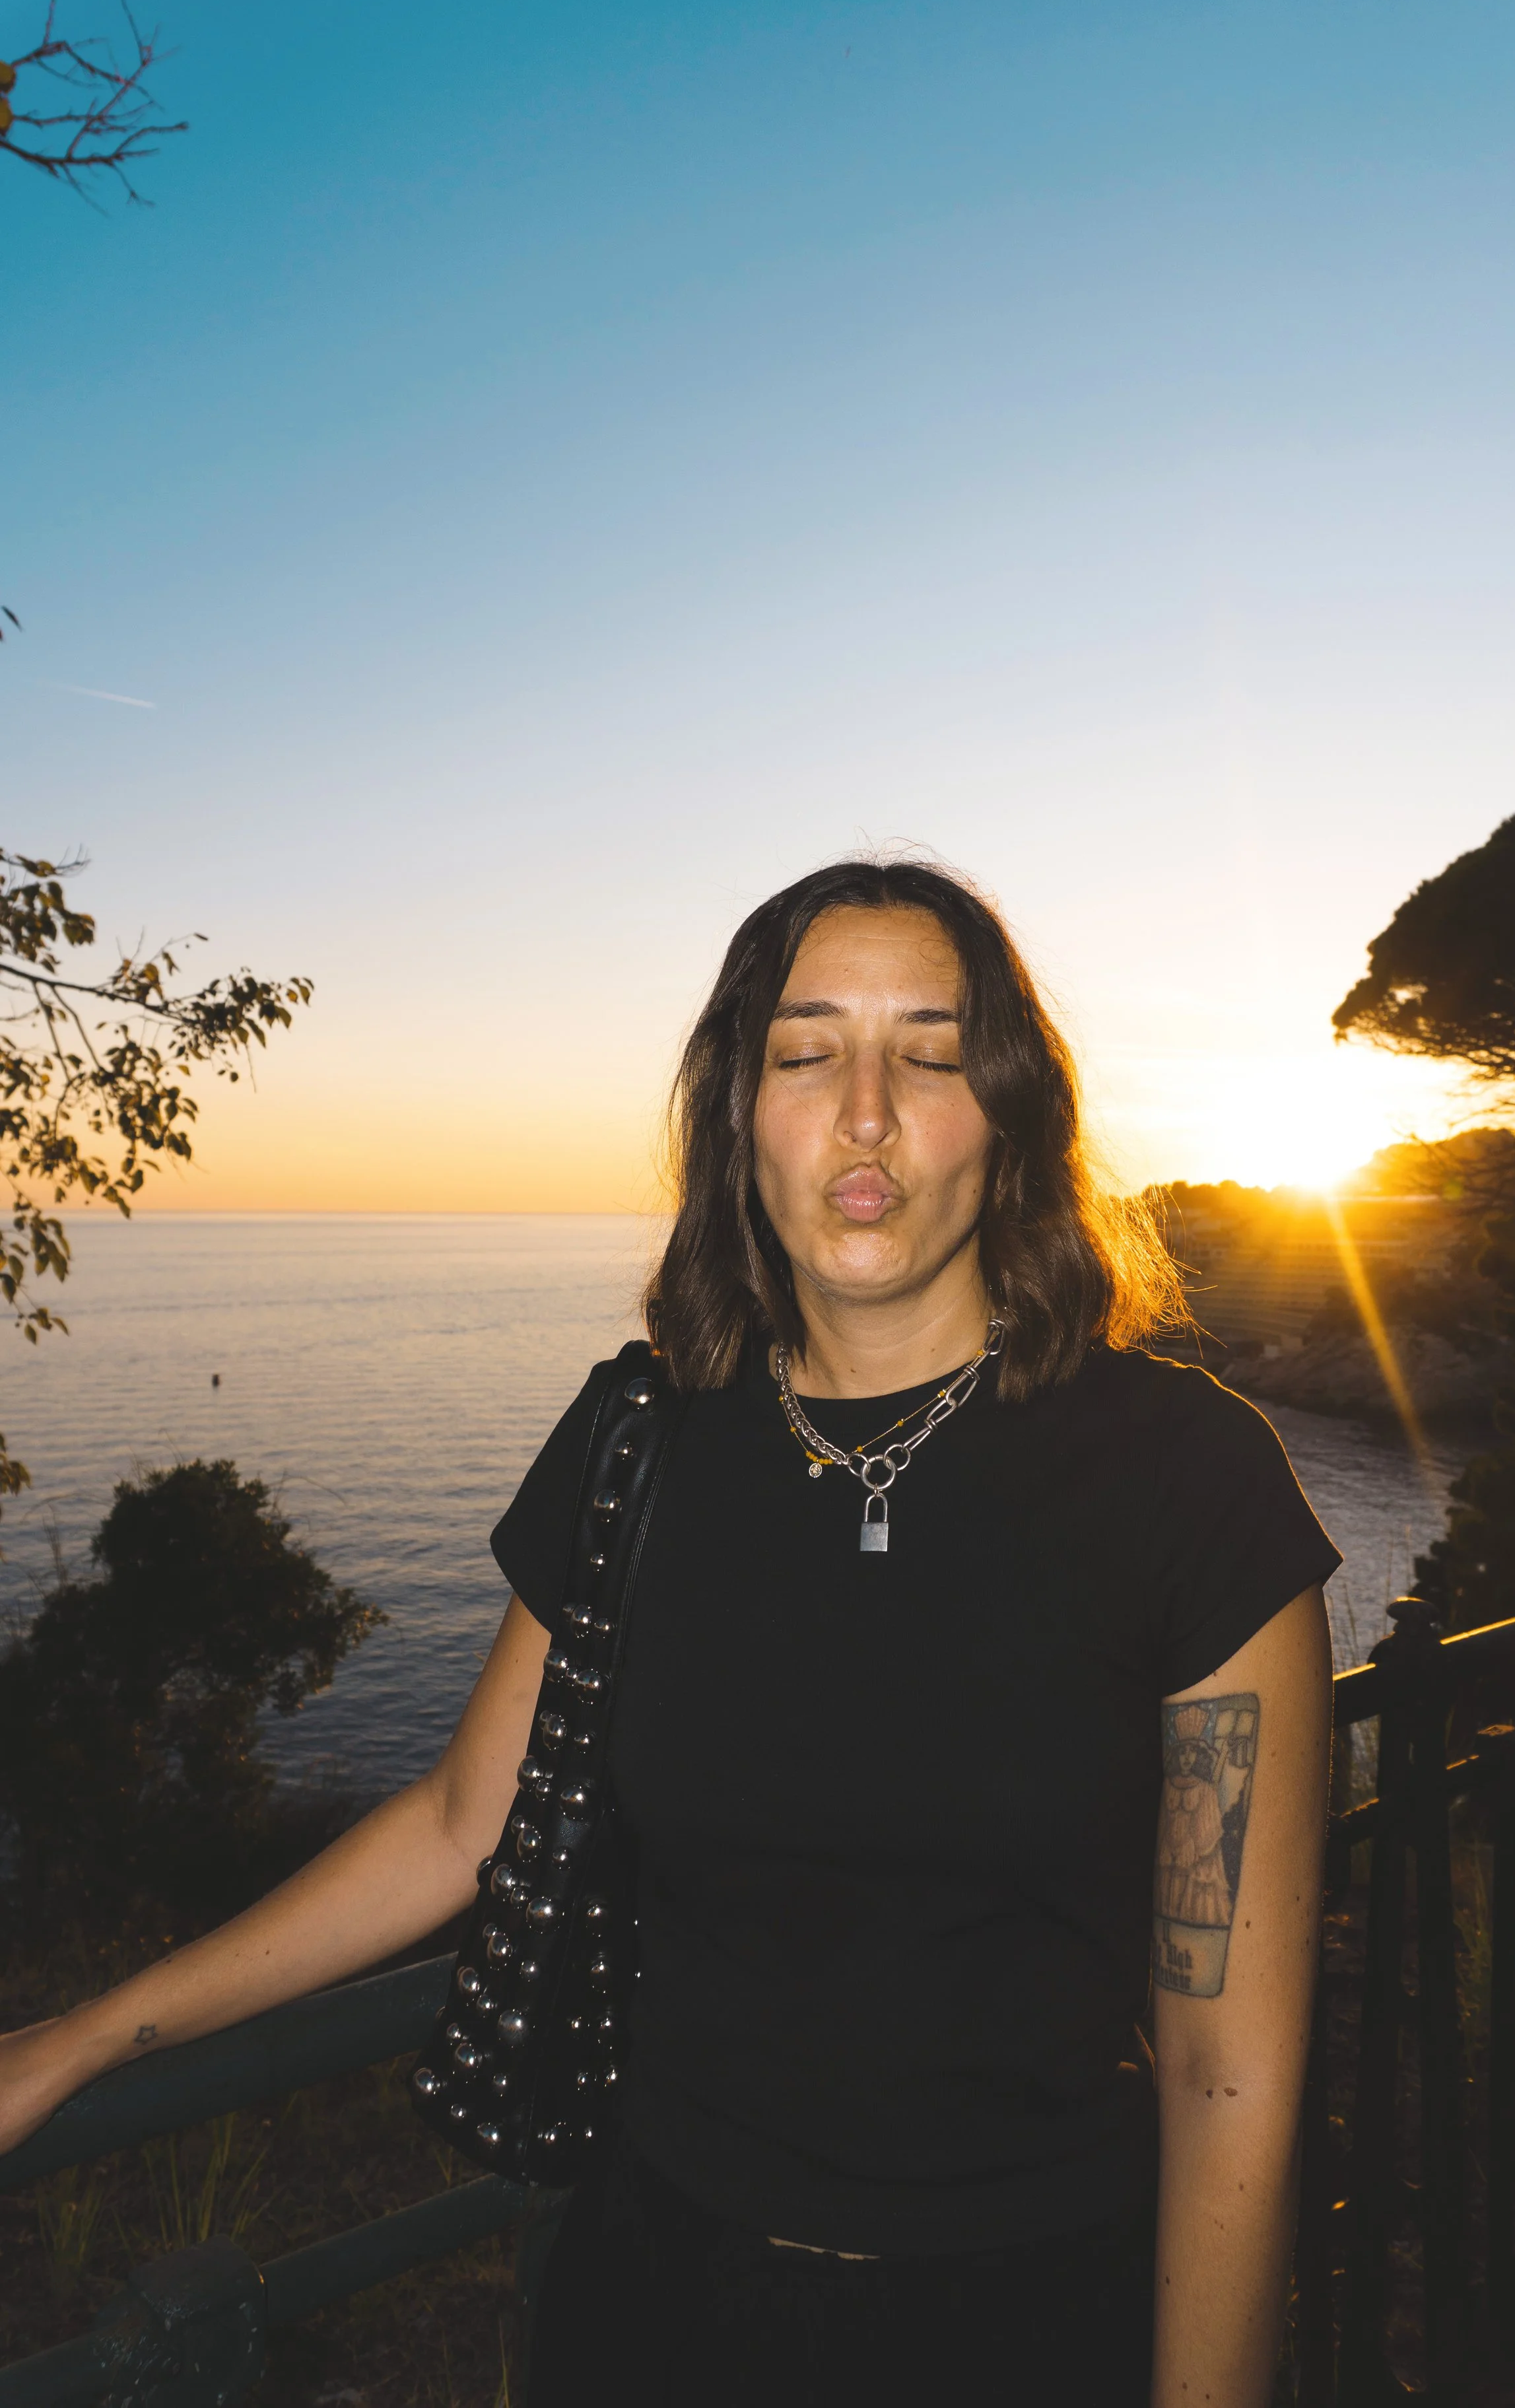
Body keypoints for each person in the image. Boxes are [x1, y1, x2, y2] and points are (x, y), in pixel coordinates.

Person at [0, 858, 1335, 2407]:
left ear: (1013, 1115)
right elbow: (452, 1826)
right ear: (735, 1116)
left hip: (1032, 2317)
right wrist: (85, 2039)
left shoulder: (1184, 1480)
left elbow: (1225, 2064)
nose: (863, 1114)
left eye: (928, 1051)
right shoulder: (640, 1442)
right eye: (803, 1050)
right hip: (653, 2301)